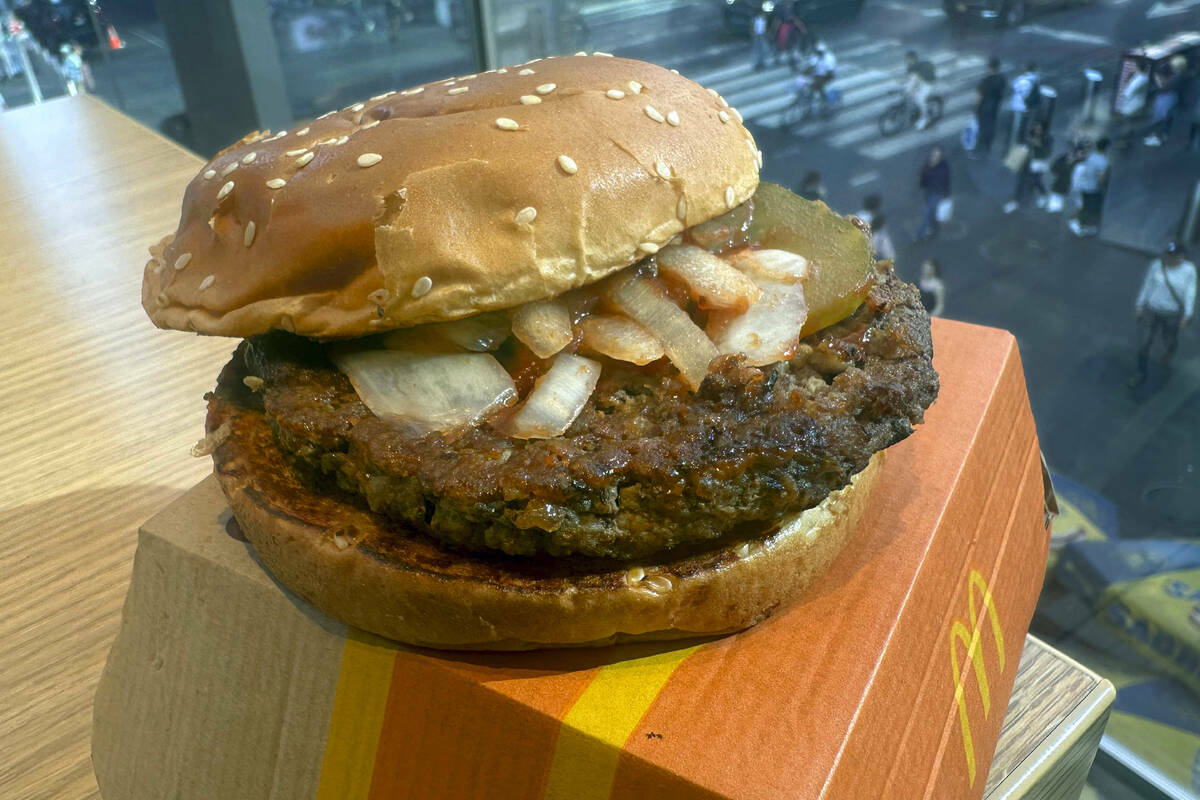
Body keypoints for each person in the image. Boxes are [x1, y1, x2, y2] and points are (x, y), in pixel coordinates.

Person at [1128, 242, 1196, 387]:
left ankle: (1170, 352)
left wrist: (1187, 314)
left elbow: (1190, 292)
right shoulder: (1157, 265)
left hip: (1172, 314)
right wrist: (1140, 304)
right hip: (1152, 310)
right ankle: (1140, 372)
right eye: (1167, 255)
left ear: (1181, 257)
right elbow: (1147, 284)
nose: (1167, 258)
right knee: (1144, 342)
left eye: (1172, 256)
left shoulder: (1189, 270)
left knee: (1169, 339)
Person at [1003, 121, 1052, 213]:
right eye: (1036, 128)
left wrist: (1037, 145)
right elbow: (1023, 146)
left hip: (1038, 165)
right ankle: (1015, 201)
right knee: (1021, 182)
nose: (1037, 131)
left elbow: (1046, 153)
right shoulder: (1030, 136)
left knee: (1036, 181)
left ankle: (1043, 195)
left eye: (1040, 129)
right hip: (1026, 164)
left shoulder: (1047, 139)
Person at [1068, 137, 1109, 237]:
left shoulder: (1091, 156)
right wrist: (1100, 187)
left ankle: (1079, 223)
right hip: (1092, 188)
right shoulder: (1103, 161)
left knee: (1082, 205)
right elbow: (1101, 178)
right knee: (1087, 208)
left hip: (1084, 184)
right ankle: (1079, 224)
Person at [1144, 56, 1185, 147]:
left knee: (1161, 117)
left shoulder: (1175, 75)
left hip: (1167, 97)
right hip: (1166, 97)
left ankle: (1159, 137)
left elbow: (1164, 86)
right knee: (1160, 117)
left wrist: (1158, 78)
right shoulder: (1175, 73)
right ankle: (1159, 136)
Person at [973, 58, 1006, 157]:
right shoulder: (1002, 79)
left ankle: (978, 148)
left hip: (983, 108)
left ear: (988, 67)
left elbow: (980, 96)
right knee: (991, 126)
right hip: (995, 107)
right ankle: (988, 146)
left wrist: (975, 108)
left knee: (981, 127)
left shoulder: (985, 81)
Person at [916, 146, 950, 240]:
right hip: (928, 191)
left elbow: (945, 180)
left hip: (937, 193)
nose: (934, 157)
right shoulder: (928, 164)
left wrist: (946, 193)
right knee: (931, 211)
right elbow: (922, 176)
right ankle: (934, 225)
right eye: (934, 155)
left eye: (937, 156)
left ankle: (920, 233)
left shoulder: (943, 167)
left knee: (928, 212)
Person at [1007, 63, 1040, 145]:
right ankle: (1023, 144)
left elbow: (1013, 86)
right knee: (1027, 127)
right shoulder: (1036, 79)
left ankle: (1014, 145)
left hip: (1019, 106)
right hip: (1030, 107)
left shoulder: (1022, 79)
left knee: (1017, 128)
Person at [904, 51, 937, 130]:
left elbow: (920, 78)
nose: (908, 61)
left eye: (910, 59)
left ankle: (926, 117)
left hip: (928, 82)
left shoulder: (921, 65)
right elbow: (909, 78)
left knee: (920, 99)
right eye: (907, 59)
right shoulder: (909, 67)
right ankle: (915, 112)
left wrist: (913, 86)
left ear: (915, 59)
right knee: (911, 95)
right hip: (919, 83)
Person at [808, 41, 836, 106]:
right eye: (817, 52)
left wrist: (819, 78)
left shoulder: (829, 58)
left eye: (820, 52)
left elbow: (830, 71)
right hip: (817, 74)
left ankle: (824, 100)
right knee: (808, 84)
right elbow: (811, 66)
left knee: (819, 86)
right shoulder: (814, 56)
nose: (818, 54)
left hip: (828, 75)